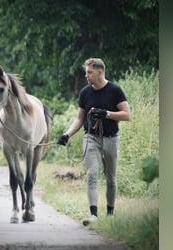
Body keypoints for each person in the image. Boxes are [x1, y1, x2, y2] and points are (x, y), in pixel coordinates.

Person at [57, 58, 130, 226]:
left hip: (111, 138)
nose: (86, 75)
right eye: (86, 72)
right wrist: (67, 135)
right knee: (91, 175)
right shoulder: (85, 93)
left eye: (89, 72)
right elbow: (79, 119)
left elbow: (127, 114)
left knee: (111, 178)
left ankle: (110, 213)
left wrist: (107, 114)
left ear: (100, 72)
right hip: (91, 137)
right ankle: (94, 215)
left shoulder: (115, 91)